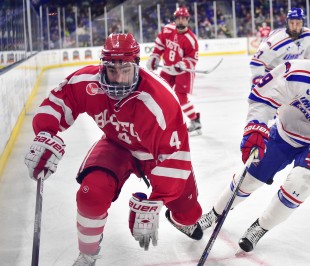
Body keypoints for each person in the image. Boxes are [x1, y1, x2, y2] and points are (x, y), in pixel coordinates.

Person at [24, 32, 203, 265]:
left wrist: (156, 202)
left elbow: (174, 157)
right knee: (92, 192)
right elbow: (60, 101)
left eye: (125, 70)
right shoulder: (86, 82)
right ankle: (88, 254)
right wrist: (45, 133)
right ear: (103, 67)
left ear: (137, 66)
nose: (117, 79)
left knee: (190, 214)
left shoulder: (161, 102)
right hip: (116, 145)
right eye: (112, 70)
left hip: (156, 156)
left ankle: (180, 218)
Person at [198, 34, 310, 253]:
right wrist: (255, 125)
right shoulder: (294, 71)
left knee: (302, 181)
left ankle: (261, 226)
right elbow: (262, 97)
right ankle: (215, 213)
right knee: (251, 175)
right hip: (283, 134)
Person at [146, 7, 201, 135]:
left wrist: (183, 64)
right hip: (167, 68)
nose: (181, 21)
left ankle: (195, 121)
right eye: (178, 18)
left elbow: (192, 59)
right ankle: (162, 122)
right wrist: (154, 57)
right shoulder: (168, 29)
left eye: (183, 19)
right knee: (160, 94)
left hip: (184, 71)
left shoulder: (191, 40)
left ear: (187, 20)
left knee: (181, 98)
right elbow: (160, 45)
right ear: (175, 20)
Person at [250, 8, 310, 86]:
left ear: (303, 24)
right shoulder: (276, 40)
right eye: (292, 23)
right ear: (287, 23)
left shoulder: (308, 36)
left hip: (292, 77)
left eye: (298, 23)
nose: (295, 27)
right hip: (271, 77)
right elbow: (257, 61)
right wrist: (258, 80)